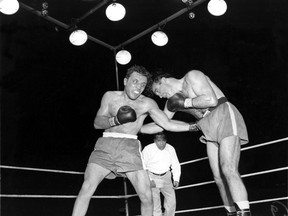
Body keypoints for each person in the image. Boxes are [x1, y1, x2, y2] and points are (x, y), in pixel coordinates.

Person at [71, 65, 198, 216]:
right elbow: (97, 123)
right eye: (135, 82)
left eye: (143, 85)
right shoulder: (110, 96)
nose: (138, 87)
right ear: (125, 81)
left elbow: (165, 124)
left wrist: (195, 126)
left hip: (130, 148)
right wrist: (116, 120)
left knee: (147, 197)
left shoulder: (148, 103)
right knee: (86, 188)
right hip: (106, 145)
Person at [149, 69, 251, 216]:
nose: (159, 95)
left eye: (157, 90)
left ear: (163, 80)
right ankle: (232, 212)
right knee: (218, 177)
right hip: (207, 125)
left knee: (228, 168)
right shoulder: (171, 102)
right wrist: (137, 128)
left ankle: (244, 213)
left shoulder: (192, 76)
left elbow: (211, 100)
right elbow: (163, 124)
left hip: (222, 113)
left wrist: (185, 103)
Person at [142, 132, 181, 216]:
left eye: (163, 140)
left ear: (166, 140)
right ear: (155, 141)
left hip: (166, 176)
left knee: (172, 203)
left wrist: (176, 178)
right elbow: (143, 166)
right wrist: (149, 179)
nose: (161, 143)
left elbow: (175, 164)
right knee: (156, 206)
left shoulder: (170, 148)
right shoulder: (148, 149)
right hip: (152, 176)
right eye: (159, 140)